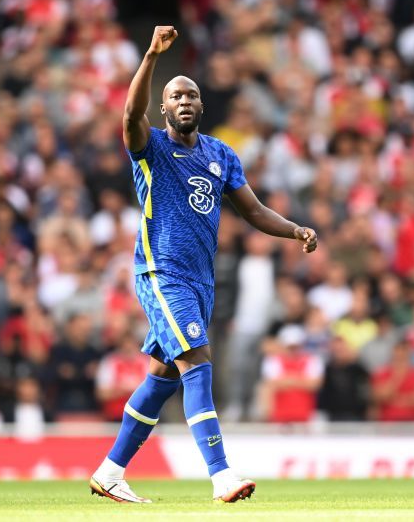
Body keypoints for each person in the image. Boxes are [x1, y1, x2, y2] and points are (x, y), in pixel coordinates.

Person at [89, 26, 318, 504]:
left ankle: (111, 470)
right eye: (176, 96)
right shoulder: (149, 146)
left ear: (200, 105)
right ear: (166, 108)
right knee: (197, 361)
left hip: (200, 281)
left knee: (163, 376)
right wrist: (152, 56)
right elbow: (131, 113)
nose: (185, 101)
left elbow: (253, 211)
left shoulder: (221, 154)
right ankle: (221, 475)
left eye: (191, 94)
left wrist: (295, 229)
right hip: (161, 272)